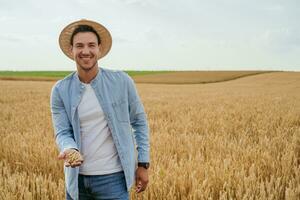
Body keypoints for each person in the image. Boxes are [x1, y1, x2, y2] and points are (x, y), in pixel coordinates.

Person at [50, 19, 150, 200]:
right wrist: (69, 148)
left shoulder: (122, 81)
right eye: (79, 46)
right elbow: (62, 131)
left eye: (91, 45)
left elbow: (139, 122)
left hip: (114, 179)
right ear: (71, 50)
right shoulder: (60, 90)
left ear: (100, 49)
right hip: (76, 181)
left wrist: (143, 163)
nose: (85, 51)